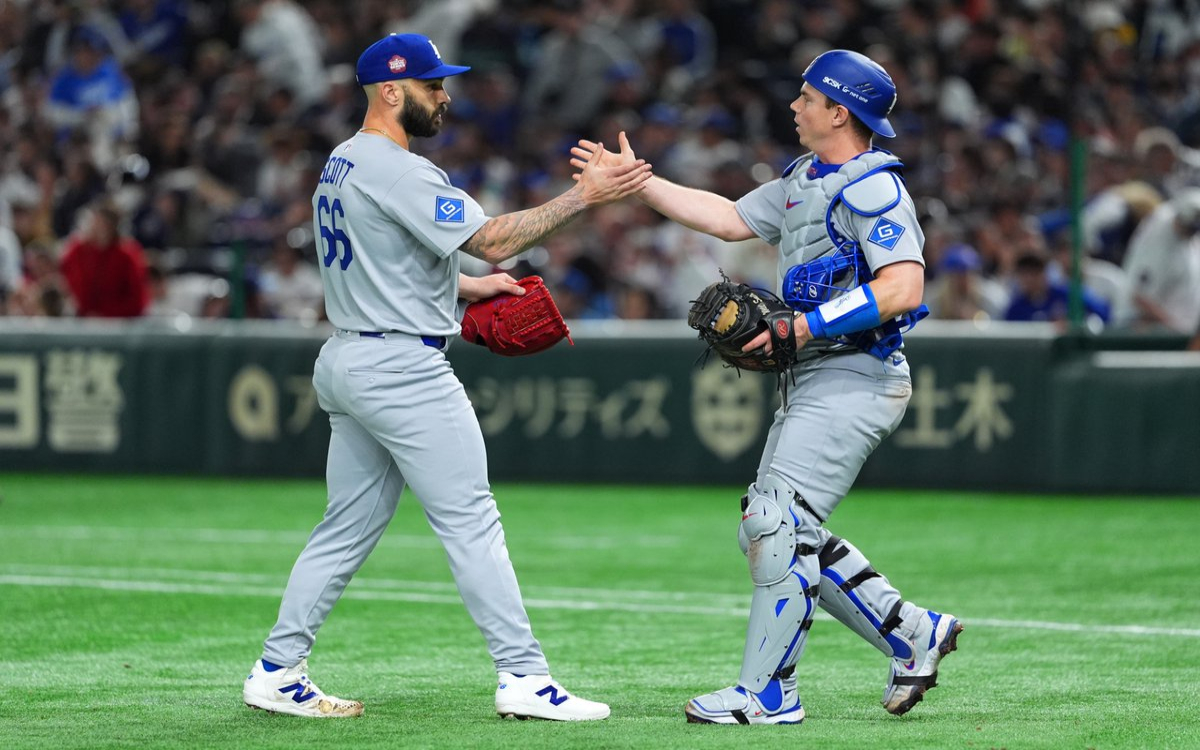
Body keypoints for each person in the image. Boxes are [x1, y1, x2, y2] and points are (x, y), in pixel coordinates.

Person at [242, 33, 651, 721]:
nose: (445, 95)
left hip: (350, 355)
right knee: (471, 519)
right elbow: (493, 236)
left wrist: (464, 287)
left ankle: (277, 669)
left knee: (345, 527)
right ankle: (523, 676)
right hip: (401, 367)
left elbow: (382, 258)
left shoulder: (343, 161)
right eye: (433, 85)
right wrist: (584, 195)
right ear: (392, 92)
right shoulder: (401, 170)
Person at [573, 49, 961, 725]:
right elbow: (727, 218)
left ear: (839, 111)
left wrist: (805, 328)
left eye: (808, 97)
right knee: (782, 525)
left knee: (774, 519)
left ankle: (769, 692)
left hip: (858, 374)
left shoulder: (872, 187)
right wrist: (638, 183)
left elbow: (904, 286)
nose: (795, 105)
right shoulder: (807, 177)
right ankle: (911, 632)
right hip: (817, 373)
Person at [59, 198, 150, 318]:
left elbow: (137, 300)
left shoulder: (127, 254)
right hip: (83, 320)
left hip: (118, 323)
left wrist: (105, 314)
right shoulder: (79, 251)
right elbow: (65, 275)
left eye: (100, 224)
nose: (95, 228)